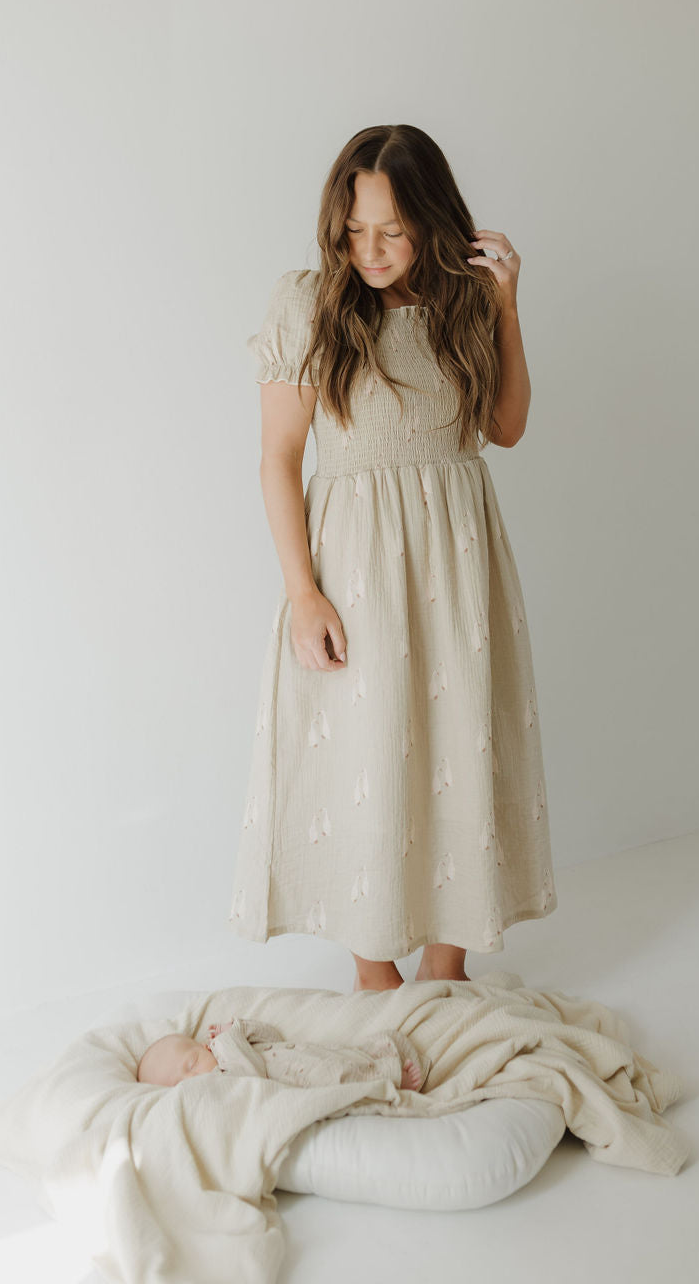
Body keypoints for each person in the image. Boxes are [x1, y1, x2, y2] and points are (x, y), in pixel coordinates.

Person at [228, 124, 557, 994]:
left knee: (459, 745)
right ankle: (375, 975)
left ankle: (446, 972)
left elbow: (507, 428)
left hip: (458, 562)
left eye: (392, 230)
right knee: (364, 760)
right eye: (352, 231)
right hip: (356, 569)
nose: (369, 251)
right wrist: (303, 593)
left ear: (433, 223)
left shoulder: (464, 303)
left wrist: (508, 306)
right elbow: (277, 459)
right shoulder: (308, 305)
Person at [136, 1019, 425, 1091]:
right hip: (303, 1079)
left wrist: (238, 1028)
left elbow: (272, 1036)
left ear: (204, 1047)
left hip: (306, 1055)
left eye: (192, 1064)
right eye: (181, 1083)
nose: (194, 1076)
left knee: (347, 1056)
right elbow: (251, 1076)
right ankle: (391, 1080)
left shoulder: (227, 1047)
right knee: (341, 1078)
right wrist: (229, 1041)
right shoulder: (226, 1080)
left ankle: (380, 1060)